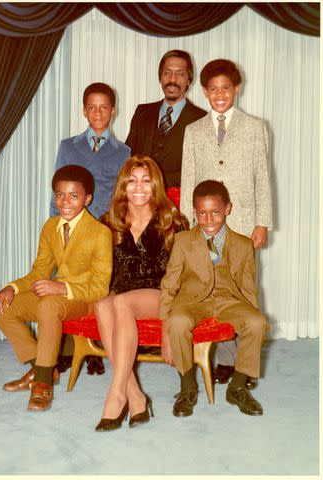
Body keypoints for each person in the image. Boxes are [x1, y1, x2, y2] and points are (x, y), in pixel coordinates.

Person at [180, 59, 272, 386]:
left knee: (243, 292)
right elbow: (189, 178)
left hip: (243, 223)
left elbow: (262, 176)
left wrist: (262, 222)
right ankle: (225, 360)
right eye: (213, 89)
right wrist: (187, 225)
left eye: (226, 88)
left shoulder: (255, 127)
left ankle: (244, 367)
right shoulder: (194, 131)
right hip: (205, 224)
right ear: (204, 91)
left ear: (236, 89)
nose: (220, 94)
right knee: (212, 290)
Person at [0, 165, 113, 412]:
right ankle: (42, 367)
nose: (65, 202)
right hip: (56, 300)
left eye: (73, 196)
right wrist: (11, 288)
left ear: (87, 199)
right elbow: (39, 273)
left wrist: (62, 288)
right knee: (2, 307)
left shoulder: (100, 233)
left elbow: (100, 287)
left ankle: (42, 384)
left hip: (84, 299)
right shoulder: (50, 227)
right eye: (59, 195)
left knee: (48, 304)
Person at [94, 155, 189, 431]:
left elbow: (182, 279)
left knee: (121, 302)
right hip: (124, 295)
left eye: (146, 181)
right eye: (132, 181)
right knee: (103, 305)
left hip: (161, 296)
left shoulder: (174, 222)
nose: (139, 187)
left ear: (156, 185)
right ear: (123, 186)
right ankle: (136, 396)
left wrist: (169, 327)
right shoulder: (110, 223)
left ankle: (116, 395)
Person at [160, 180, 269, 417]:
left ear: (228, 208)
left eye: (216, 212)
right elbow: (169, 285)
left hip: (228, 300)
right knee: (177, 322)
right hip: (192, 302)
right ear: (194, 211)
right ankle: (187, 387)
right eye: (202, 213)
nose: (209, 220)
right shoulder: (183, 241)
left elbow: (249, 288)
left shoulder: (243, 244)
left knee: (257, 322)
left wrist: (250, 320)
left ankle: (238, 387)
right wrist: (164, 329)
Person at [50, 82, 130, 376]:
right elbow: (56, 191)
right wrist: (55, 228)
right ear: (84, 111)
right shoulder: (68, 146)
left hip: (105, 230)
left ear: (113, 111)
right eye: (92, 107)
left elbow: (122, 197)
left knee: (99, 287)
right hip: (71, 226)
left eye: (104, 107)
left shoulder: (123, 152)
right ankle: (66, 351)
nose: (98, 112)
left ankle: (95, 350)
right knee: (66, 285)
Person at [126, 50, 206, 188]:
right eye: (167, 72)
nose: (172, 79)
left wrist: (154, 180)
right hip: (139, 200)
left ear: (188, 80)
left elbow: (199, 171)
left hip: (178, 204)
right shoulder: (142, 113)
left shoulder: (202, 119)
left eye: (180, 73)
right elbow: (128, 157)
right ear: (160, 77)